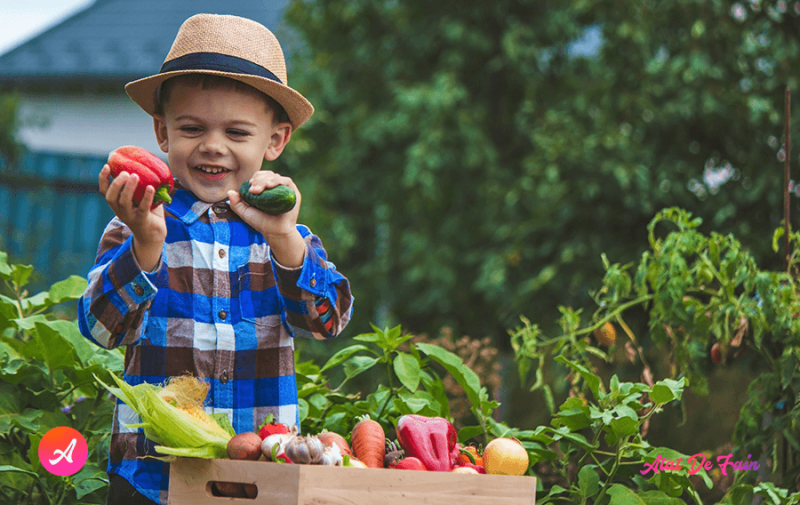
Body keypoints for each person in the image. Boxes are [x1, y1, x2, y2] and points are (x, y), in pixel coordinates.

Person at [77, 14, 353, 505]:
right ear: (162, 133)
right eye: (191, 127)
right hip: (151, 480)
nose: (212, 145)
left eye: (237, 132)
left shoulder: (287, 235)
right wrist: (145, 244)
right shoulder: (139, 223)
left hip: (262, 480)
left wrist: (287, 239)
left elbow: (327, 322)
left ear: (275, 141)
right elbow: (101, 330)